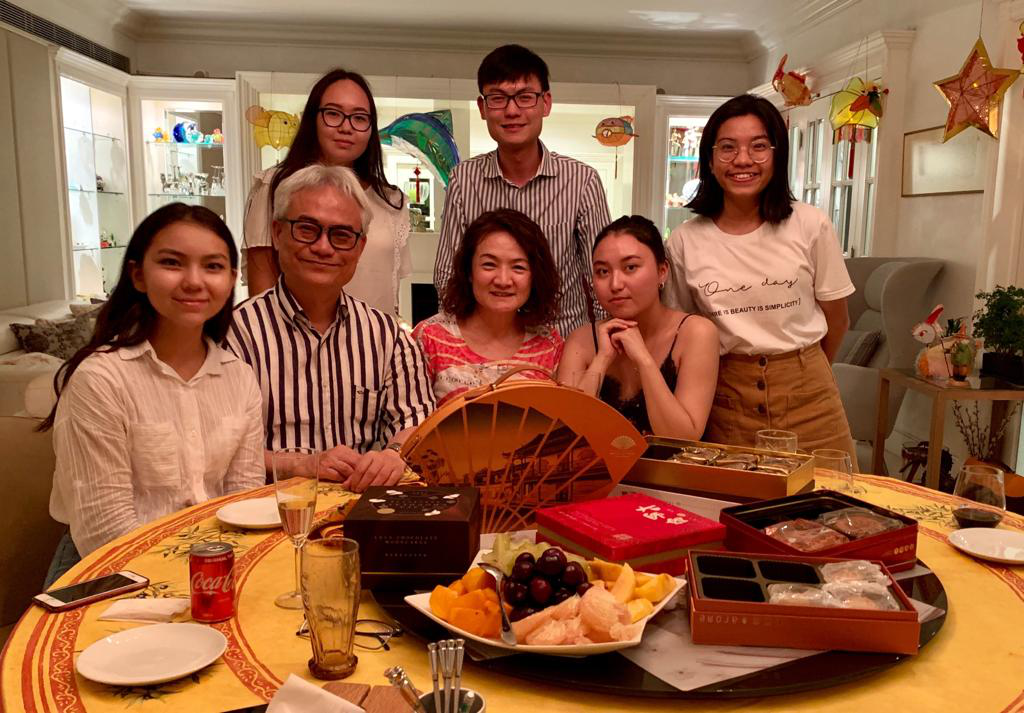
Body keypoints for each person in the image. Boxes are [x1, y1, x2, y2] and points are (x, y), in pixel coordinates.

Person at [42, 204, 265, 586]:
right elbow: (105, 533)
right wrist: (190, 586)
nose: (194, 281)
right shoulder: (101, 379)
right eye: (172, 263)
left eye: (212, 267)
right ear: (138, 275)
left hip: (208, 570)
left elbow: (243, 503)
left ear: (231, 279)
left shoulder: (238, 378)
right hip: (105, 574)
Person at [663, 94, 857, 461]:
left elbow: (838, 318)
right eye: (727, 147)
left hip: (810, 396)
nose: (742, 160)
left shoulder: (810, 224)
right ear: (710, 158)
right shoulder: (685, 240)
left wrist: (800, 374)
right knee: (733, 507)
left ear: (777, 154)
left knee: (835, 505)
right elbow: (685, 331)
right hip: (725, 397)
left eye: (758, 147)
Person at [226, 164, 434, 493]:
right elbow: (218, 449)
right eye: (307, 229)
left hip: (363, 516)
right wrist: (300, 464)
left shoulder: (387, 337)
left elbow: (419, 424)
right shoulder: (236, 335)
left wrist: (394, 455)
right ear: (278, 234)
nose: (323, 247)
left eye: (341, 235)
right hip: (268, 516)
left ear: (360, 247)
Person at [434, 44, 612, 337]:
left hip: (563, 347)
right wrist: (457, 343)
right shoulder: (463, 181)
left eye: (525, 97)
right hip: (487, 349)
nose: (512, 110)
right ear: (482, 108)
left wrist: (598, 347)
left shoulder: (581, 181)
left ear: (546, 103)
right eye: (498, 98)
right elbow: (447, 275)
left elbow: (600, 276)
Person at [243, 68, 410, 315]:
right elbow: (261, 295)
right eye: (333, 114)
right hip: (295, 345)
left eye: (359, 117)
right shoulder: (274, 186)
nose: (346, 127)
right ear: (313, 119)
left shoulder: (392, 200)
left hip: (373, 344)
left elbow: (390, 290)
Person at [557, 216, 719, 438]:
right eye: (603, 272)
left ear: (662, 271)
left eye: (630, 267)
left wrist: (643, 359)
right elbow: (565, 433)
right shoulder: (581, 341)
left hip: (671, 471)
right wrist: (602, 359)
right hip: (596, 471)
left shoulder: (695, 333)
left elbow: (683, 438)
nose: (615, 284)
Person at [413, 209, 563, 406]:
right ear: (468, 271)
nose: (503, 280)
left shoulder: (549, 345)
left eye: (518, 267)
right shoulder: (429, 339)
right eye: (489, 265)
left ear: (534, 276)